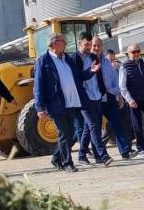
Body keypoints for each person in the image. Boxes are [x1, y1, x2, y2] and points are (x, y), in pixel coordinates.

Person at [34, 32, 98, 173]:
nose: (66, 43)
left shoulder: (67, 58)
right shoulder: (43, 61)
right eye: (63, 41)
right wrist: (39, 107)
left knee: (72, 134)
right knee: (64, 133)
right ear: (55, 43)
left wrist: (90, 71)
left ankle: (56, 158)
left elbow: (78, 76)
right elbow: (38, 86)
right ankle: (67, 163)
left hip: (72, 102)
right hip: (56, 104)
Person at [72, 32, 113, 167]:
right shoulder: (74, 58)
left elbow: (99, 76)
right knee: (94, 125)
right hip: (84, 98)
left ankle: (81, 156)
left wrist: (102, 91)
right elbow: (78, 77)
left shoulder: (93, 57)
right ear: (79, 43)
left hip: (96, 96)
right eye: (86, 45)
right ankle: (103, 155)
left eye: (90, 45)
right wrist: (91, 71)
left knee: (88, 128)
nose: (89, 47)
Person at [95, 38, 133, 160]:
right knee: (95, 127)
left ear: (102, 46)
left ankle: (125, 151)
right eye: (94, 45)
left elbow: (115, 83)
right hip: (96, 99)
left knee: (117, 123)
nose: (97, 48)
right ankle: (98, 155)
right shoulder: (88, 61)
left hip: (110, 97)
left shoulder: (107, 64)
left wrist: (118, 94)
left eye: (99, 45)